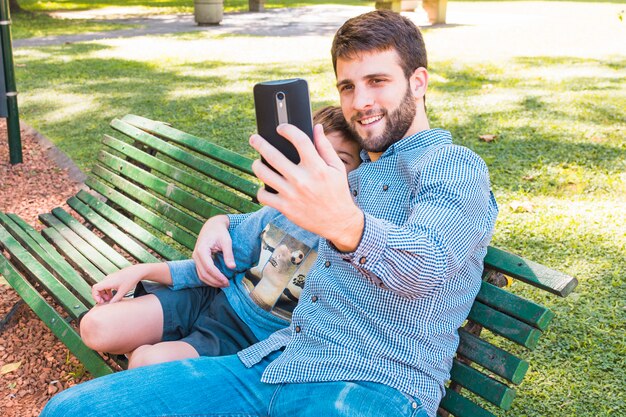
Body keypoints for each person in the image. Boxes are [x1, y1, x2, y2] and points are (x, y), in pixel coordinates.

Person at [41, 10, 498, 417]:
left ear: (417, 82)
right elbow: (260, 232)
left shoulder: (452, 168)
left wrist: (342, 222)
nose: (360, 102)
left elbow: (429, 265)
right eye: (347, 86)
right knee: (68, 408)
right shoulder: (345, 178)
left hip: (373, 384)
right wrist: (217, 224)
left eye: (377, 81)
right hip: (276, 363)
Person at [79, 106, 361, 368]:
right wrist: (141, 271)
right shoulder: (282, 210)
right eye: (317, 155)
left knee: (145, 362)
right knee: (94, 327)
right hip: (210, 296)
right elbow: (218, 265)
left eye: (341, 160)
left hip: (240, 335)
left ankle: (161, 350)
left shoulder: (351, 241)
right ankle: (162, 346)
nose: (325, 168)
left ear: (363, 172)